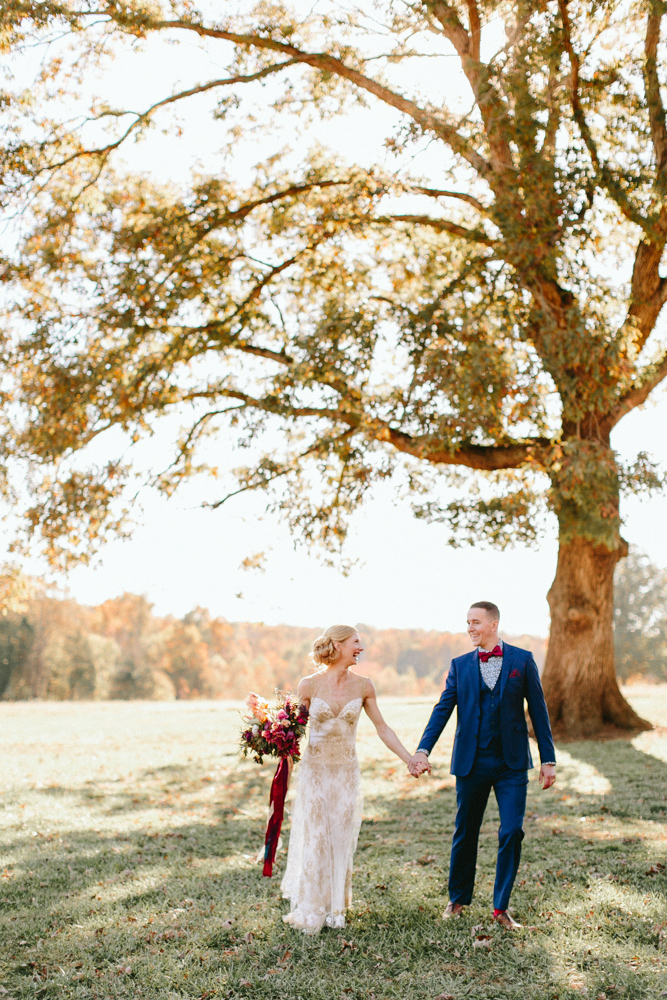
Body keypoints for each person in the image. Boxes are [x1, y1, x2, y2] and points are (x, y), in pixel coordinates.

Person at [408, 601, 556, 929]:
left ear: (494, 624)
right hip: (471, 762)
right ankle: (457, 898)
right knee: (466, 831)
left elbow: (539, 711)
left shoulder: (522, 660)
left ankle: (501, 907)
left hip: (512, 764)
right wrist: (423, 750)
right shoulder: (460, 665)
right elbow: (442, 710)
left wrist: (548, 759)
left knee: (512, 830)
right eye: (467, 623)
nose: (470, 628)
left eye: (476, 622)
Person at [281, 624, 414, 934]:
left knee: (340, 839)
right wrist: (282, 777)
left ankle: (336, 908)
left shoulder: (365, 686)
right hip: (315, 773)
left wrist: (408, 759)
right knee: (316, 837)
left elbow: (382, 728)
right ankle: (313, 907)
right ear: (338, 646)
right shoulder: (309, 685)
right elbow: (292, 734)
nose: (361, 648)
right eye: (356, 642)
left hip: (345, 775)